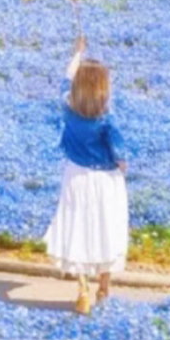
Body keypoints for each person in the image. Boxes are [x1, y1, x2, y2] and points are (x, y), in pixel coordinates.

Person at [44, 34, 129, 314]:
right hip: (105, 180)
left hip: (76, 176)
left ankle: (82, 290)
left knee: (78, 230)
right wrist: (122, 163)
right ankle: (103, 289)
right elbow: (119, 151)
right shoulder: (107, 118)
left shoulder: (68, 107)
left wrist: (77, 53)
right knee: (107, 230)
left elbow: (64, 82)